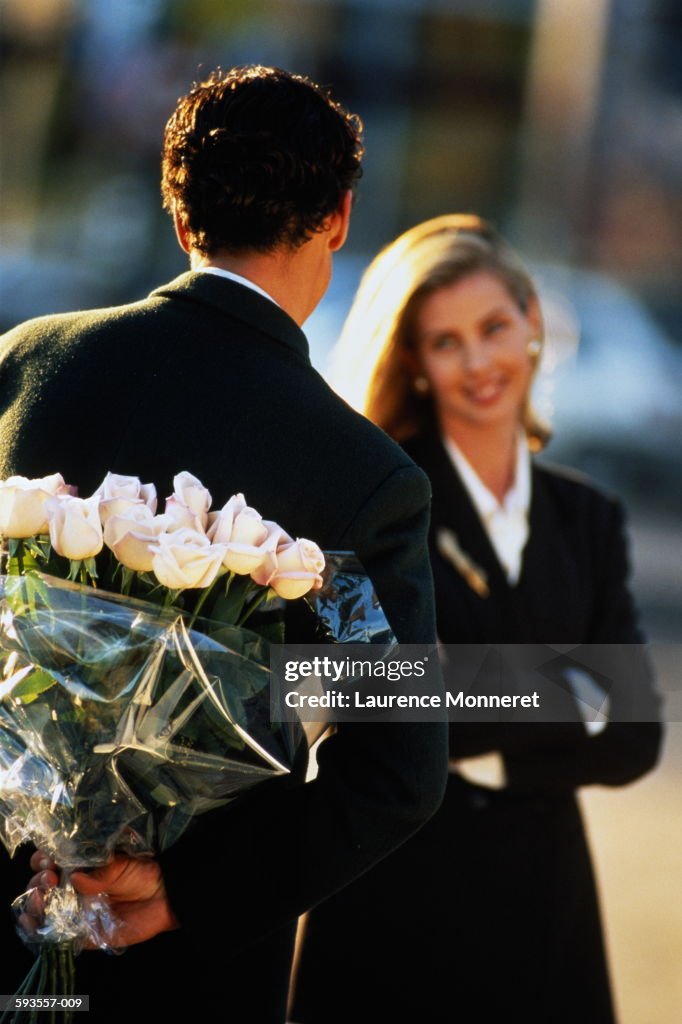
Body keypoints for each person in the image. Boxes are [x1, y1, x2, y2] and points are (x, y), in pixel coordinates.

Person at [0, 67, 448, 1022]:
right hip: (184, 973)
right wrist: (185, 892)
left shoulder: (25, 366)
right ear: (338, 216)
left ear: (178, 214)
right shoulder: (364, 473)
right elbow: (399, 772)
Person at [291, 214, 663, 1023]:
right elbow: (348, 689)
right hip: (394, 900)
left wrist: (468, 724)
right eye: (446, 341)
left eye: (494, 327)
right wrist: (568, 690)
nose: (479, 362)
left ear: (532, 320)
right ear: (416, 362)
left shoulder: (587, 515)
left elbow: (636, 731)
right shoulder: (380, 502)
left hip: (546, 902)